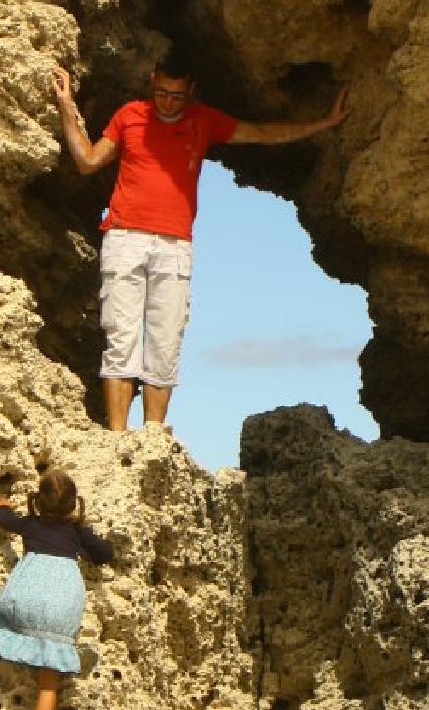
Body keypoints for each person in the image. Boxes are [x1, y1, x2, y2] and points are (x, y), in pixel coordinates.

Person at [53, 51, 349, 431]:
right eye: (161, 93)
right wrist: (66, 105)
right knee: (121, 340)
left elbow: (260, 133)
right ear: (151, 81)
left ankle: (152, 443)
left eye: (177, 96)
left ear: (192, 91)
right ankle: (117, 442)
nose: (168, 102)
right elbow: (88, 161)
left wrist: (324, 123)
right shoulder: (130, 115)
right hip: (125, 237)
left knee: (164, 344)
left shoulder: (202, 120)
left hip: (175, 245)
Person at [0, 468, 114, 710]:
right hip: (60, 606)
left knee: (8, 618)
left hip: (26, 598)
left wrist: (1, 504)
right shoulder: (76, 533)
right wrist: (93, 535)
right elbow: (105, 555)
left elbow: (5, 520)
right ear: (73, 505)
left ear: (38, 502)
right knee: (49, 680)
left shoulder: (30, 524)